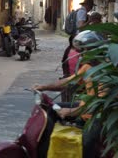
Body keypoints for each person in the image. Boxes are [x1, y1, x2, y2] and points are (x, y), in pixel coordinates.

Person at [33, 30, 105, 158]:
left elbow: (99, 105)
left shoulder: (106, 72)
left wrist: (71, 111)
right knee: (51, 110)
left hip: (97, 117)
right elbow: (68, 82)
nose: (82, 55)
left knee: (85, 146)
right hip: (85, 108)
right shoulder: (88, 67)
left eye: (86, 50)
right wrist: (44, 87)